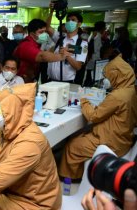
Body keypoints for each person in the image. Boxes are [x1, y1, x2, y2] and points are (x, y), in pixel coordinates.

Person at [59, 52, 137, 180]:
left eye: (109, 76)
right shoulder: (131, 91)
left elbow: (93, 116)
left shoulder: (117, 96)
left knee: (72, 145)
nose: (108, 79)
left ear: (117, 75)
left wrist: (83, 99)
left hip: (112, 143)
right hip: (123, 139)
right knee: (79, 135)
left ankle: (69, 179)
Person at [13, 19, 70, 83]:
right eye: (41, 32)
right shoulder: (26, 45)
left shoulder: (36, 44)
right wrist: (62, 56)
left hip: (29, 80)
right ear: (32, 34)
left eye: (45, 31)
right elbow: (42, 56)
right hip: (19, 81)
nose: (44, 34)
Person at [47, 11, 88, 84]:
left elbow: (78, 66)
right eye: (68, 20)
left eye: (73, 20)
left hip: (67, 83)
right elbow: (47, 28)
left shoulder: (83, 44)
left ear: (79, 24)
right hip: (51, 80)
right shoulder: (60, 38)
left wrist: (66, 55)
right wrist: (51, 11)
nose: (70, 22)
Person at [85, 21, 106, 86]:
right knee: (91, 77)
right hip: (94, 59)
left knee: (89, 75)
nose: (105, 30)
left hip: (91, 58)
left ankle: (87, 86)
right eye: (104, 28)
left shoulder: (93, 33)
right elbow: (95, 49)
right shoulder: (98, 35)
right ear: (102, 28)